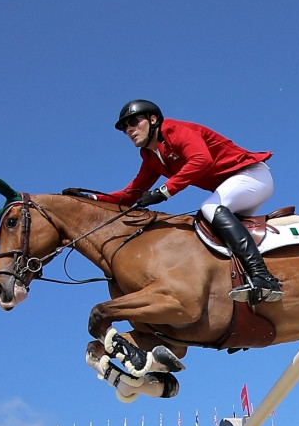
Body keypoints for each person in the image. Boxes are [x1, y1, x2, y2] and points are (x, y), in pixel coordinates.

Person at [93, 99, 284, 304]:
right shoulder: (151, 156)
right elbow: (131, 194)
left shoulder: (175, 130)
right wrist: (93, 198)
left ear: (153, 119)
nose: (129, 130)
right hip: (233, 187)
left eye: (134, 122)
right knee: (210, 229)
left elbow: (201, 160)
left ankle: (263, 278)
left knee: (210, 208)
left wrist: (164, 191)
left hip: (252, 175)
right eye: (124, 128)